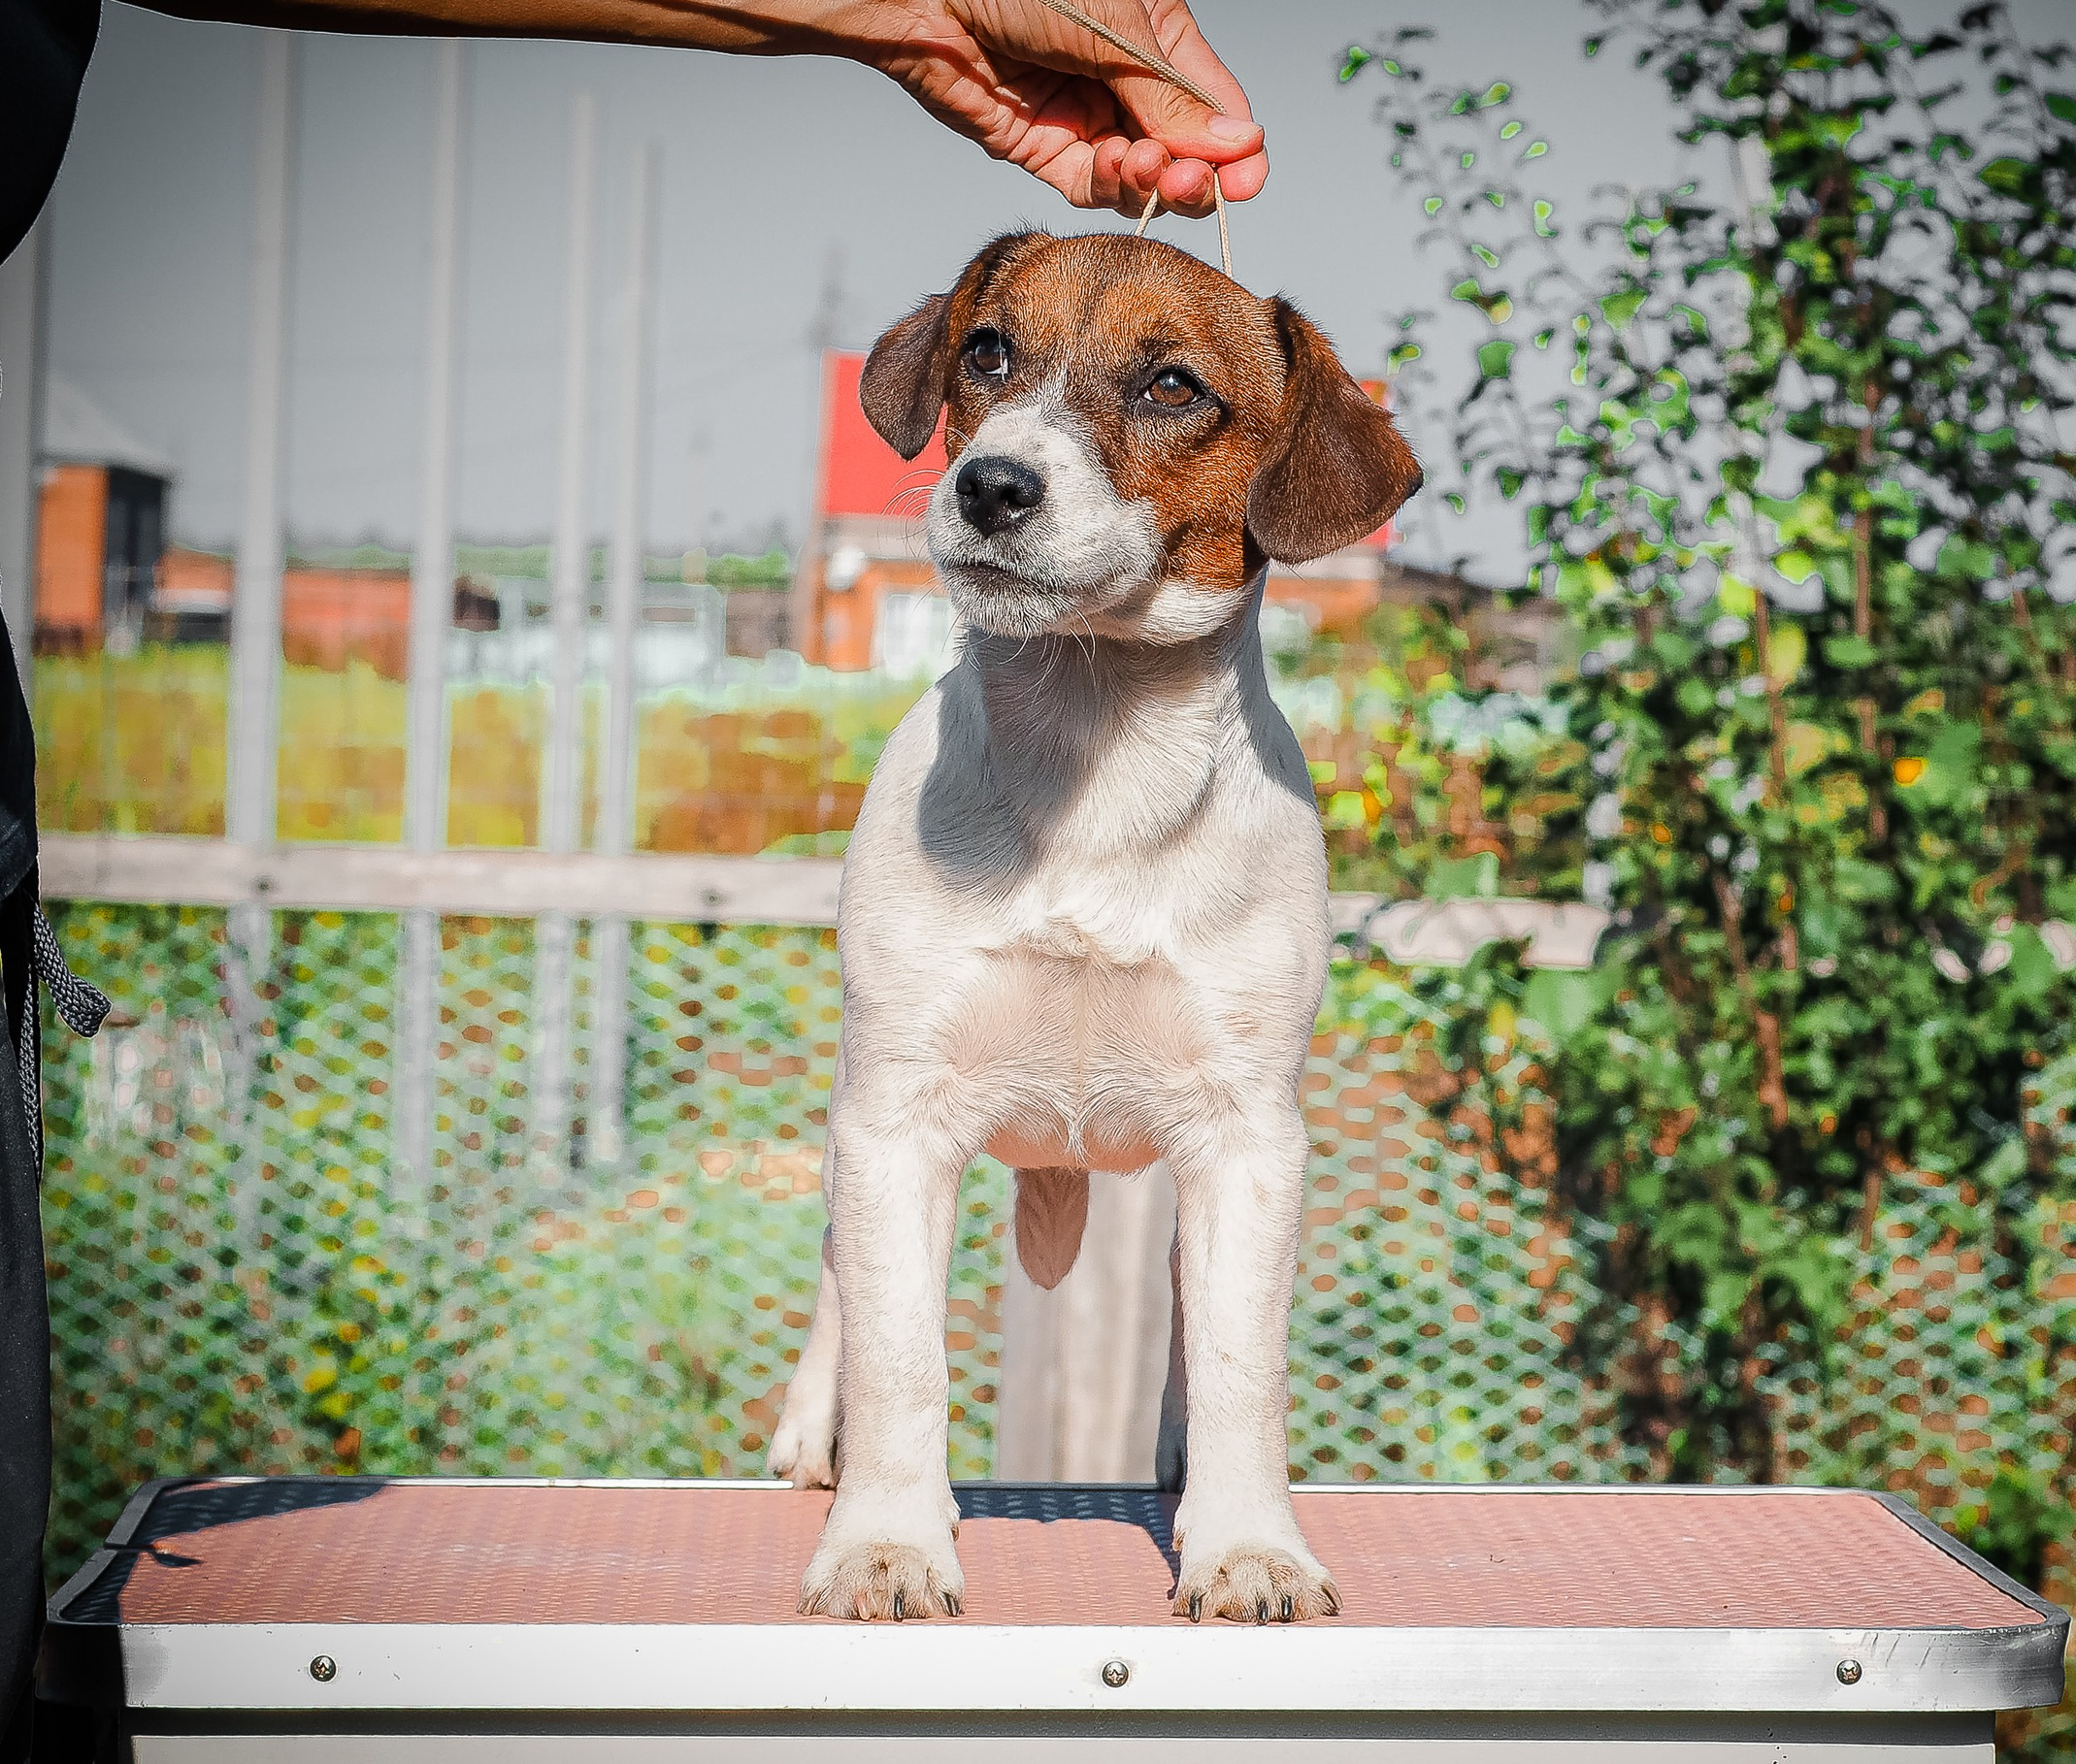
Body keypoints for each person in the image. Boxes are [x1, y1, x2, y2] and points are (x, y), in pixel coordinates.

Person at [0, 2, 1263, 1753]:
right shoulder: (922, 779)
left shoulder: (1268, 828)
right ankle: (880, 1451)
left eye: (1164, 391)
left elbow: (1240, 1143)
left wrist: (1241, 1510)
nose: (1013, 448)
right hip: (976, 882)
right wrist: (894, 1498)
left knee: (1187, 1133)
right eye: (993, 362)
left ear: (1277, 464)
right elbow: (890, 1123)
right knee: (898, 1111)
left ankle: (1227, 1492)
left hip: (1190, 886)